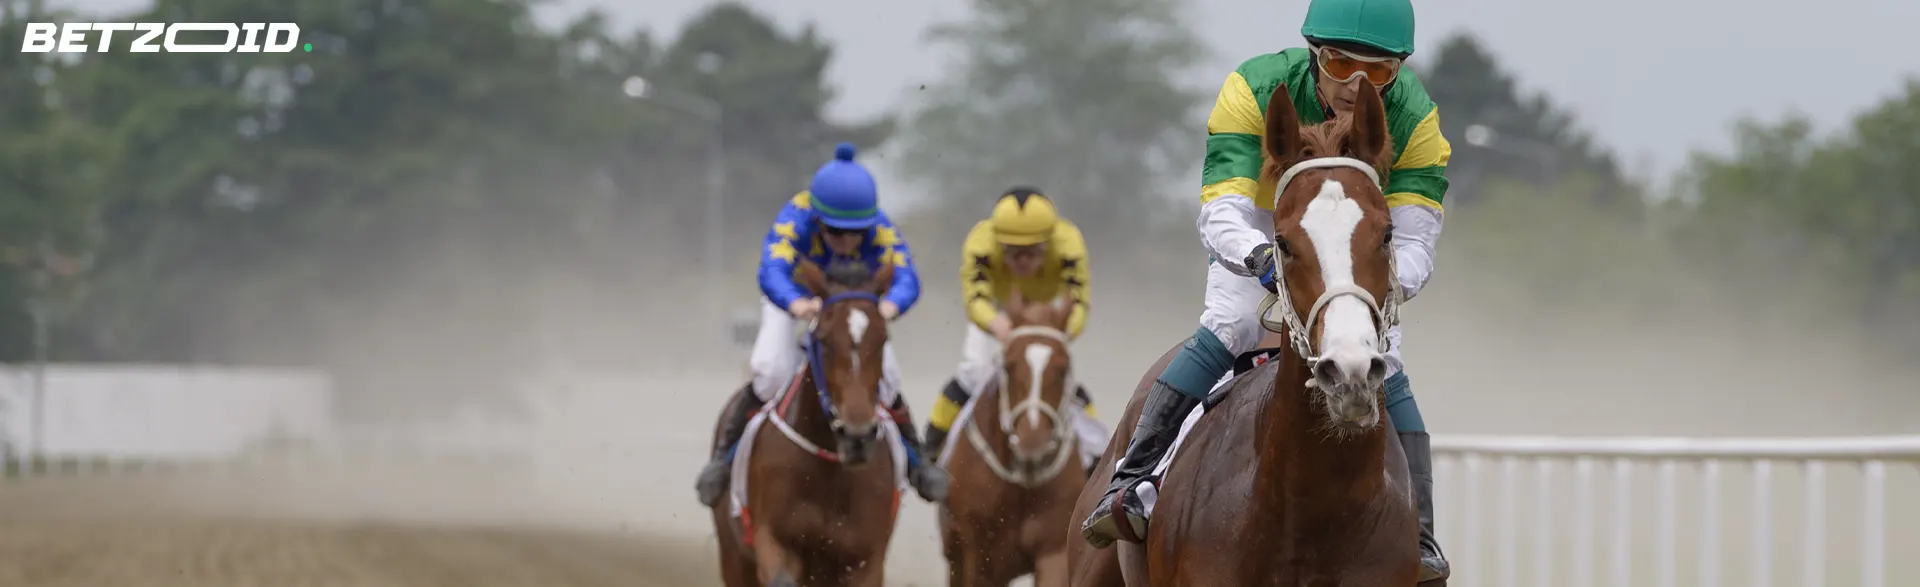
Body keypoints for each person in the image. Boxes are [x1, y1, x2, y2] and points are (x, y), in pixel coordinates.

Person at [1077, 0, 1454, 581]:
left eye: (1378, 72)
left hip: (1356, 250)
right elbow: (1222, 206)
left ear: (1399, 69)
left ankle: (1421, 533)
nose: (1356, 86)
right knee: (1233, 325)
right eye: (1340, 62)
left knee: (1387, 356)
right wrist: (1263, 259)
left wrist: (1356, 286)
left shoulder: (1416, 115)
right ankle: (1133, 482)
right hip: (1264, 227)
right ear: (1313, 52)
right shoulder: (1255, 86)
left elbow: (1416, 237)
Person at [694, 142, 949, 507]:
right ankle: (723, 460)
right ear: (817, 219)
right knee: (769, 371)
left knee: (888, 379)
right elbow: (773, 270)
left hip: (855, 307)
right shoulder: (794, 218)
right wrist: (796, 302)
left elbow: (906, 275)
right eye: (834, 231)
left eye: (855, 232)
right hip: (798, 298)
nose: (846, 241)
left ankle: (917, 462)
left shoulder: (879, 225)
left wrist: (890, 307)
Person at [922, 187, 1104, 467]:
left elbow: (1080, 303)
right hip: (997, 315)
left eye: (1032, 252)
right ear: (998, 243)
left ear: (1048, 243)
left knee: (1057, 377)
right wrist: (996, 323)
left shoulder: (1069, 242)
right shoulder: (980, 241)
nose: (1022, 261)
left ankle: (1098, 461)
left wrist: (1060, 333)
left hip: (1048, 318)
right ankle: (930, 453)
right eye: (1012, 252)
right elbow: (974, 299)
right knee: (972, 372)